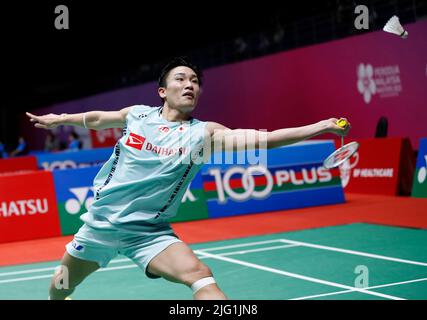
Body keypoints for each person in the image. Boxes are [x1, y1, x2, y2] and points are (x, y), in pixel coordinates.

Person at [26, 57, 351, 300]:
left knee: (200, 274)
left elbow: (264, 140)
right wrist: (62, 119)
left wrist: (320, 126)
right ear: (163, 91)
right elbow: (98, 118)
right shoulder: (138, 114)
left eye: (195, 81)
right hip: (100, 225)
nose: (190, 85)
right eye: (181, 79)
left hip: (148, 232)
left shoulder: (204, 134)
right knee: (61, 286)